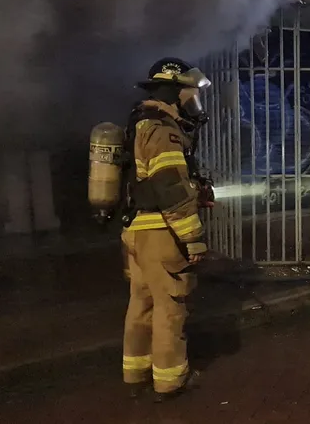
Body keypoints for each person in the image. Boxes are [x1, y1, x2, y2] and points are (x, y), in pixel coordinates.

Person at [120, 57, 213, 402]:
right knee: (170, 306)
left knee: (141, 304)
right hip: (162, 232)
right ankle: (170, 380)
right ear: (174, 91)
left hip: (136, 231)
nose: (194, 100)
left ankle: (136, 372)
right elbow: (171, 188)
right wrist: (193, 239)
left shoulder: (140, 124)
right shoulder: (163, 130)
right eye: (190, 92)